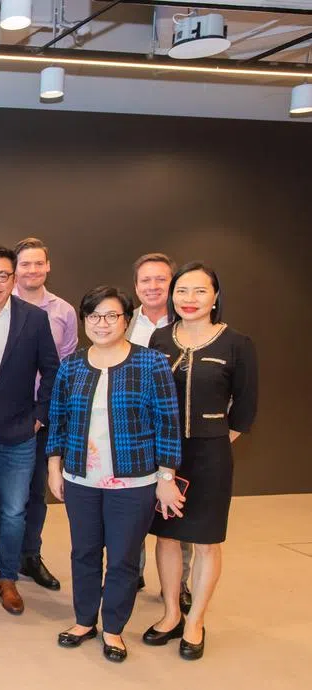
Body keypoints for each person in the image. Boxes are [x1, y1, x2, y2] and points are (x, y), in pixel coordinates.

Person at [47, 286, 184, 663]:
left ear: (126, 320)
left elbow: (168, 424)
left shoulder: (151, 363)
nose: (102, 324)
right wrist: (54, 465)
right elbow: (58, 419)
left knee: (123, 558)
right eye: (94, 316)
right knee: (84, 552)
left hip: (134, 481)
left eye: (111, 316)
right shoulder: (72, 365)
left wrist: (166, 477)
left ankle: (113, 629)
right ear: (84, 321)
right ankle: (84, 620)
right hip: (80, 479)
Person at [143, 263, 258, 661]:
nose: (188, 300)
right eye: (181, 291)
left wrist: (213, 442)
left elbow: (244, 410)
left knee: (207, 540)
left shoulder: (237, 344)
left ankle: (196, 622)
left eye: (199, 291)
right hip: (164, 457)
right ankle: (172, 613)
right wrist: (165, 460)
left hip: (211, 455)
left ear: (215, 297)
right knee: (167, 535)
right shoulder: (159, 340)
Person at [0, 236, 78, 591]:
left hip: (20, 431)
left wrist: (40, 413)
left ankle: (8, 577)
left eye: (2, 276)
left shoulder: (35, 319)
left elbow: (54, 370)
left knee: (14, 511)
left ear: (12, 280)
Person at [128, 253, 190, 601]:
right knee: (130, 510)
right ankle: (130, 574)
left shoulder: (188, 324)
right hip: (133, 433)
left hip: (174, 432)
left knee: (176, 514)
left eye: (161, 280)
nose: (153, 287)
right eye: (145, 280)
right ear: (136, 287)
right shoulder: (124, 321)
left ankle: (177, 584)